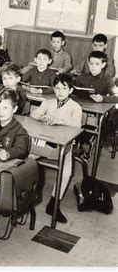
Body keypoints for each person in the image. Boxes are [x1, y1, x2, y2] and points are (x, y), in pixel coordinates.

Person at [30, 74, 82, 223]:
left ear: (70, 90)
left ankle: (54, 203)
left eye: (64, 88)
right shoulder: (48, 102)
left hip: (64, 145)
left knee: (66, 172)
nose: (60, 91)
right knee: (25, 159)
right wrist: (41, 117)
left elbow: (77, 126)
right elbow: (34, 114)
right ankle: (24, 194)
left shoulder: (75, 107)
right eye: (57, 88)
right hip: (45, 142)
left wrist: (59, 121)